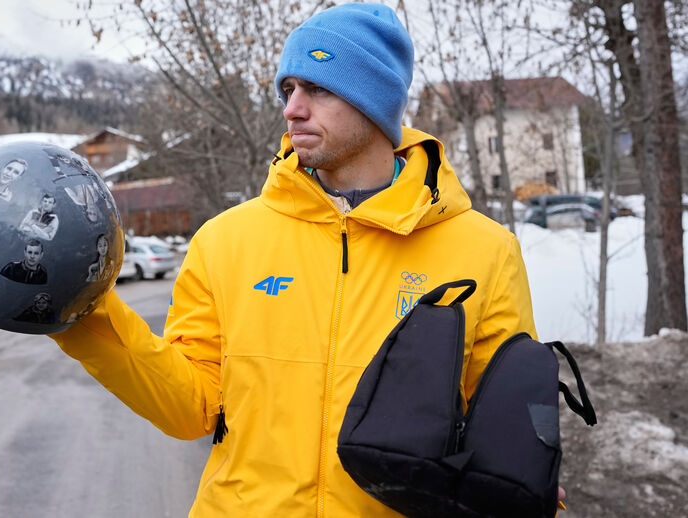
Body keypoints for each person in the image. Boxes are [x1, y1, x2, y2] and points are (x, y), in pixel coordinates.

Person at [49, 4, 541, 516]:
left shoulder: (484, 250)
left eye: (319, 89)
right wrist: (80, 317)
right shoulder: (226, 240)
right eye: (289, 90)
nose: (292, 109)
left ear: (375, 101)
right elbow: (189, 407)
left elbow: (506, 430)